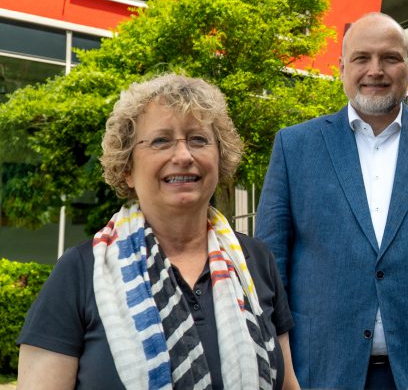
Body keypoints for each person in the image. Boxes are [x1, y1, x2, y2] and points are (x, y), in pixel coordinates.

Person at [255, 12, 408, 389]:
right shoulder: (295, 146)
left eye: (390, 58)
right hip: (321, 371)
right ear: (342, 68)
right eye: (362, 58)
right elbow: (270, 268)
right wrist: (280, 371)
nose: (375, 70)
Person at [17, 74, 299, 390]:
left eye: (198, 139)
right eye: (161, 141)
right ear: (127, 167)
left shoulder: (255, 260)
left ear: (220, 158)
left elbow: (287, 383)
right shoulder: (81, 271)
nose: (183, 156)